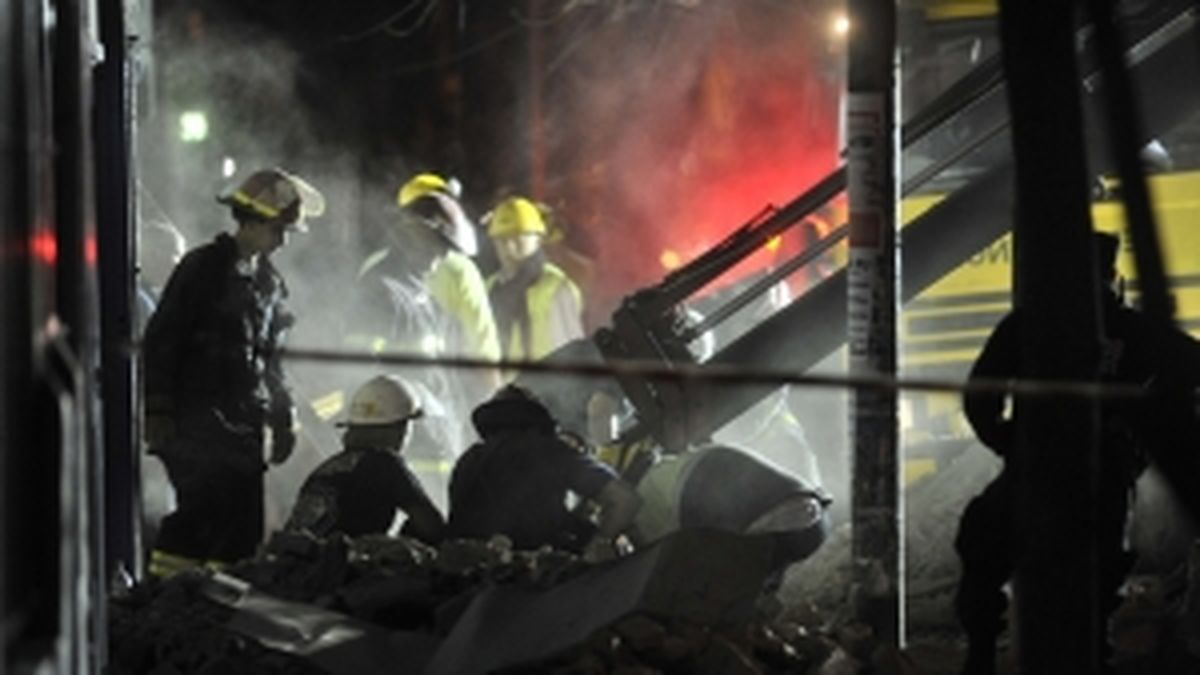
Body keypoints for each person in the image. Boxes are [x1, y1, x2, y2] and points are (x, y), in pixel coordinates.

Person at [954, 231, 1198, 673]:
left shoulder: (1027, 324)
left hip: (1034, 471)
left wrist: (1006, 439)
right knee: (1095, 584)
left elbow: (979, 396)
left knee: (985, 548)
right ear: (1111, 276)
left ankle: (982, 656)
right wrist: (1148, 421)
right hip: (1104, 475)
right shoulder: (1135, 330)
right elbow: (1190, 369)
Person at [142, 167, 324, 576]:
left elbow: (272, 362)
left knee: (243, 531)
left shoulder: (269, 285)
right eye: (280, 228)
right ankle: (164, 607)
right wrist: (159, 410)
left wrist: (283, 417)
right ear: (254, 219)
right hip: (195, 423)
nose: (284, 239)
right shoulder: (202, 269)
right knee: (197, 520)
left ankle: (221, 617)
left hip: (242, 428)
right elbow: (162, 341)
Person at [447, 385, 641, 560]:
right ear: (537, 421)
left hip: (471, 584)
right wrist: (597, 546)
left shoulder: (466, 462)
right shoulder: (547, 450)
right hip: (544, 580)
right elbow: (624, 499)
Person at [285, 374, 445, 544]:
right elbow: (432, 526)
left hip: (298, 566)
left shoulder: (325, 469)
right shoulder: (385, 463)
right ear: (398, 427)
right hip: (343, 567)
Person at [485, 196, 585, 361]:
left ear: (538, 238)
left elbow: (571, 354)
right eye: (502, 239)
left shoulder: (555, 288)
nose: (509, 246)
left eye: (518, 237)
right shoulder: (488, 288)